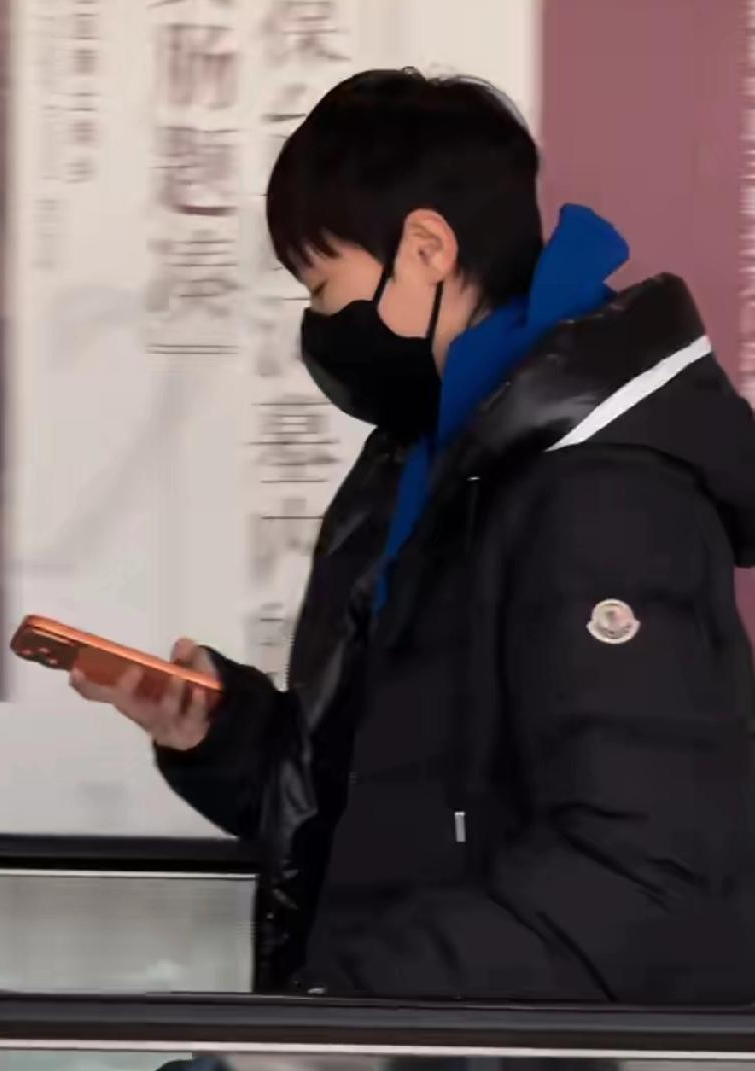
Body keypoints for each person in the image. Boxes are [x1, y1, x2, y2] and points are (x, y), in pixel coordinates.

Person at [73, 69, 755, 1003]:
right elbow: (392, 800)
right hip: (419, 1051)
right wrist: (224, 735)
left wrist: (356, 1014)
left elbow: (638, 863)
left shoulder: (605, 495)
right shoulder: (427, 460)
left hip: (509, 1066)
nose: (317, 326)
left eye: (323, 285)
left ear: (427, 248)